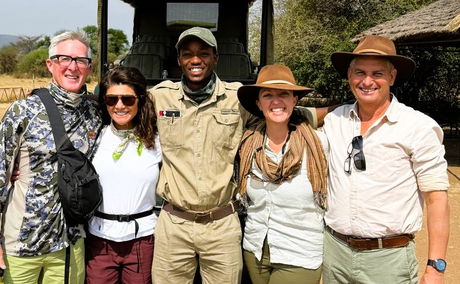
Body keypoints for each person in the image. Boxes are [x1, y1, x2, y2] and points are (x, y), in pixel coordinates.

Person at [149, 27, 322, 284]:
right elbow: (123, 111)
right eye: (188, 54)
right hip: (174, 223)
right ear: (179, 60)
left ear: (215, 58)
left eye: (203, 53)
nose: (196, 60)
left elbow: (277, 112)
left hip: (221, 223)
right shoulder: (159, 98)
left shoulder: (237, 99)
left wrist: (347, 110)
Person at [322, 35, 450, 284]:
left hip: (388, 260)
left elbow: (437, 198)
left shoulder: (418, 127)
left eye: (377, 73)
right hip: (335, 253)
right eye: (359, 72)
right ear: (349, 76)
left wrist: (436, 267)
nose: (367, 81)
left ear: (391, 77)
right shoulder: (334, 121)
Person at [0, 31, 102, 283]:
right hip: (22, 242)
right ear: (50, 64)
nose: (72, 67)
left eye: (80, 61)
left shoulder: (95, 113)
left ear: (89, 68)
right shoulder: (23, 111)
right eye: (64, 59)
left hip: (70, 244)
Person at [236, 64, 328, 284]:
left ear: (295, 100)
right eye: (268, 95)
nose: (276, 101)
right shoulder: (249, 145)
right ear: (258, 103)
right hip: (256, 249)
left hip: (299, 251)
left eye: (283, 94)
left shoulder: (318, 145)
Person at [85, 67, 161, 283]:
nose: (119, 106)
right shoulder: (95, 137)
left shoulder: (156, 141)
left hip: (141, 240)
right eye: (112, 100)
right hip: (100, 240)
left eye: (127, 99)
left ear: (140, 100)